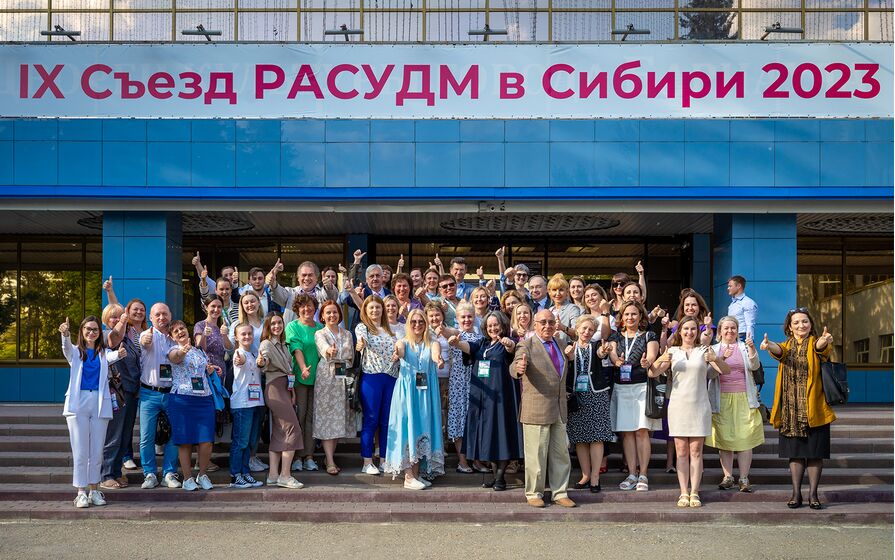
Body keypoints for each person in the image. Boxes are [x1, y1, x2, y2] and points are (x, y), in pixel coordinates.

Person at [762, 308, 836, 510]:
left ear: (811, 324)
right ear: (789, 327)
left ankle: (813, 495)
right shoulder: (786, 346)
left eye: (804, 321)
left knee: (815, 454)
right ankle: (796, 493)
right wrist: (768, 344)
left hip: (815, 409)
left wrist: (824, 341)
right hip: (790, 411)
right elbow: (779, 352)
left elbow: (821, 349)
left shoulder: (815, 342)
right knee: (795, 454)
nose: (801, 325)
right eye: (796, 322)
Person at [651, 317, 729, 508]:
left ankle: (694, 491)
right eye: (685, 328)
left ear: (698, 331)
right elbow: (652, 373)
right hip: (678, 406)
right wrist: (659, 359)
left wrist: (716, 359)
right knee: (681, 451)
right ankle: (683, 492)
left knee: (696, 451)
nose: (689, 332)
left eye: (693, 329)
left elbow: (725, 371)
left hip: (699, 406)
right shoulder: (672, 351)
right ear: (680, 331)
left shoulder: (704, 351)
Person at [510, 309, 576, 509]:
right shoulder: (526, 345)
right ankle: (534, 493)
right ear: (535, 324)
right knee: (536, 456)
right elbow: (515, 365)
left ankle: (560, 493)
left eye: (551, 322)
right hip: (536, 409)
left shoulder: (561, 343)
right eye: (543, 322)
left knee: (561, 454)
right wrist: (517, 369)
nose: (548, 326)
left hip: (559, 408)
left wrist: (571, 357)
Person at [451, 311, 522, 491]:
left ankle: (500, 478)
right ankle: (495, 475)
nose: (492, 328)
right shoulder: (482, 343)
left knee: (502, 435)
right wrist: (457, 343)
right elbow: (468, 347)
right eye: (489, 325)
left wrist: (509, 345)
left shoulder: (508, 341)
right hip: (482, 397)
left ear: (503, 325)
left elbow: (512, 349)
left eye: (496, 325)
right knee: (488, 435)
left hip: (501, 398)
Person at [60, 316, 122, 508]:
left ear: (99, 333)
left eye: (95, 329)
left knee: (96, 450)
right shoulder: (75, 352)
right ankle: (81, 492)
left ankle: (94, 490)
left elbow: (113, 356)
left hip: (99, 403)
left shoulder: (104, 353)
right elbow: (66, 348)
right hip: (78, 403)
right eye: (88, 329)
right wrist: (65, 334)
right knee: (80, 450)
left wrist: (120, 353)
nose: (91, 332)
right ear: (82, 331)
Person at [382, 308, 446, 489]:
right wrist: (397, 354)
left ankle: (416, 474)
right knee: (407, 428)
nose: (417, 325)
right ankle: (408, 477)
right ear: (408, 324)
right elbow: (400, 351)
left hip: (426, 393)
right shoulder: (402, 342)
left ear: (426, 324)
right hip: (407, 392)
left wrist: (439, 360)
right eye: (413, 322)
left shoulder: (433, 342)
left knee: (421, 429)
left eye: (421, 321)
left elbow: (435, 354)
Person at [608, 300, 661, 492]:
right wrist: (616, 361)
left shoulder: (649, 335)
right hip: (621, 388)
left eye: (634, 314)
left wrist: (648, 362)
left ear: (640, 317)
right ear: (621, 317)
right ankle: (631, 474)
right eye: (627, 314)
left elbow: (652, 355)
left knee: (641, 431)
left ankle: (643, 474)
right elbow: (613, 355)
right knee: (627, 433)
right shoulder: (615, 336)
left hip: (641, 387)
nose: (630, 317)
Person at [708, 316, 765, 493]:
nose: (730, 331)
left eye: (733, 328)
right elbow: (709, 375)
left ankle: (743, 478)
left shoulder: (744, 347)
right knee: (724, 439)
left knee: (745, 439)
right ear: (720, 331)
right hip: (721, 399)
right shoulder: (713, 349)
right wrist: (720, 359)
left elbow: (754, 366)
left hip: (744, 398)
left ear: (737, 330)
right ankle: (728, 477)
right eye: (726, 328)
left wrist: (752, 348)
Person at [562, 315, 614, 493]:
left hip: (596, 395)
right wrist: (568, 357)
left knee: (597, 437)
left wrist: (604, 351)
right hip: (576, 396)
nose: (587, 332)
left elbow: (601, 354)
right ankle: (585, 475)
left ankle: (595, 477)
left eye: (591, 330)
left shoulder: (596, 346)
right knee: (580, 438)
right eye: (584, 328)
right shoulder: (569, 347)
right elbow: (566, 367)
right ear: (577, 329)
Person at [166, 320, 219, 492]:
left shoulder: (198, 350)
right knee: (185, 441)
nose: (180, 332)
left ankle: (202, 475)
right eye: (175, 331)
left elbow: (201, 370)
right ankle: (187, 478)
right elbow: (176, 358)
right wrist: (182, 350)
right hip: (182, 399)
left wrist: (211, 369)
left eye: (182, 328)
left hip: (204, 398)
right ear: (171, 337)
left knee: (207, 440)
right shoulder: (172, 350)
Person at [258, 313, 305, 489]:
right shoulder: (266, 344)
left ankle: (273, 475)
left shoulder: (284, 345)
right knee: (293, 428)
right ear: (268, 326)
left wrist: (291, 392)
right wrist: (261, 362)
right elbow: (264, 360)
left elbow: (289, 370)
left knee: (280, 431)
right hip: (275, 388)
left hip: (285, 387)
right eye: (273, 324)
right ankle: (285, 475)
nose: (277, 326)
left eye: (279, 323)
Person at [138, 303, 180, 489]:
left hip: (172, 393)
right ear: (151, 318)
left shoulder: (175, 337)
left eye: (164, 314)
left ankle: (169, 473)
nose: (161, 317)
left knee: (174, 436)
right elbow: (144, 342)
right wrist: (145, 339)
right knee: (146, 437)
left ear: (170, 315)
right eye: (157, 315)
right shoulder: (146, 335)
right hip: (149, 393)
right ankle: (149, 474)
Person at [355, 295, 399, 474]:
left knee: (387, 421)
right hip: (372, 378)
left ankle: (383, 460)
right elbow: (362, 339)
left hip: (391, 377)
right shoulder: (363, 327)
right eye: (371, 307)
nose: (375, 310)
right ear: (365, 310)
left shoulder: (390, 330)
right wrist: (361, 344)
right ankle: (367, 462)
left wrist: (399, 353)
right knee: (371, 419)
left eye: (378, 307)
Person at [98, 303, 140, 490]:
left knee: (124, 435)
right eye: (112, 317)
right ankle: (106, 475)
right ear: (106, 320)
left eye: (119, 316)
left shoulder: (127, 339)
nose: (116, 319)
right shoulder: (107, 335)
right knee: (114, 435)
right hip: (116, 393)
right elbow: (113, 338)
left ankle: (115, 472)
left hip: (131, 392)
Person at [313, 301, 357, 475]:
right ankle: (330, 460)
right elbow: (324, 348)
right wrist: (329, 351)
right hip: (326, 377)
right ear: (322, 316)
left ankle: (328, 457)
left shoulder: (347, 334)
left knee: (339, 418)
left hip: (343, 377)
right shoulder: (319, 333)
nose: (332, 315)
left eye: (335, 312)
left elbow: (350, 356)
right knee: (327, 417)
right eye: (328, 313)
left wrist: (340, 355)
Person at [192, 296, 231, 473]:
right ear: (206, 307)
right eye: (213, 306)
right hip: (206, 375)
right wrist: (204, 337)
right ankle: (200, 461)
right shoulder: (200, 326)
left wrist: (225, 335)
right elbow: (198, 348)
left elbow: (229, 348)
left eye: (219, 306)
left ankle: (205, 459)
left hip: (220, 376)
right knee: (205, 416)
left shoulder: (222, 326)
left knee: (214, 416)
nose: (216, 309)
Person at [444, 302, 485, 473]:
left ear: (474, 317)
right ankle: (462, 461)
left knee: (475, 421)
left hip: (476, 383)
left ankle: (476, 460)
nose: (467, 320)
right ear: (457, 318)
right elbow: (446, 331)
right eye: (463, 317)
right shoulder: (455, 334)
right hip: (458, 384)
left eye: (469, 316)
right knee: (459, 420)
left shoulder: (481, 338)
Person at [285, 295, 323, 472]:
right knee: (299, 417)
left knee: (312, 418)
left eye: (310, 306)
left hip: (319, 379)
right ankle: (297, 457)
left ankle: (309, 456)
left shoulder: (320, 328)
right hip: (301, 378)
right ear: (297, 309)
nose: (307, 309)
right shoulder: (293, 326)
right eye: (303, 307)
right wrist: (303, 368)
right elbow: (296, 348)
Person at [229, 323, 265, 489]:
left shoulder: (254, 353)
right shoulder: (239, 353)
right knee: (240, 442)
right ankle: (235, 475)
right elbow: (239, 361)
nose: (247, 336)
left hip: (255, 402)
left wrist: (261, 362)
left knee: (249, 442)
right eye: (243, 334)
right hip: (242, 403)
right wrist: (241, 360)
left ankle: (245, 472)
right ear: (236, 337)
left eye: (249, 333)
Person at [547, 274, 581, 345]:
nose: (558, 293)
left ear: (567, 292)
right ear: (549, 292)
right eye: (554, 290)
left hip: (565, 348)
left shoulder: (573, 309)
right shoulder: (549, 310)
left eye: (561, 290)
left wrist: (563, 327)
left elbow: (577, 334)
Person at [727, 275, 758, 341]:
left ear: (739, 286)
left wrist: (749, 340)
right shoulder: (732, 304)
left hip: (742, 337)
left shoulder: (748, 302)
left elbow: (750, 324)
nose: (728, 288)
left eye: (730, 286)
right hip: (732, 336)